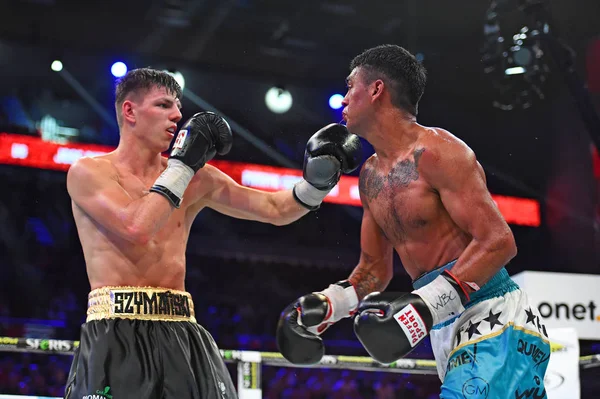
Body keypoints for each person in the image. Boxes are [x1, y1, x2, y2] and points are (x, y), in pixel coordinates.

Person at [64, 68, 362, 399]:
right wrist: (182, 166)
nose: (177, 115)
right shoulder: (89, 173)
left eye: (177, 106)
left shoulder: (196, 178)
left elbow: (275, 210)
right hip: (115, 330)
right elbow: (136, 227)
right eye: (163, 105)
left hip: (181, 333)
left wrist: (316, 183)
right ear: (130, 111)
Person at [276, 45, 550, 398]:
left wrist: (426, 304)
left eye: (350, 87)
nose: (343, 100)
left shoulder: (439, 151)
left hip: (492, 314)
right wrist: (324, 306)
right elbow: (374, 270)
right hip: (445, 327)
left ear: (376, 90)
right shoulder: (370, 176)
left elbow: (499, 241)